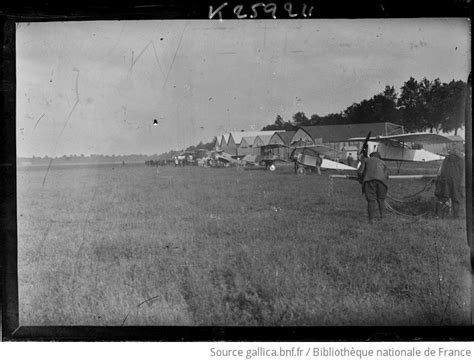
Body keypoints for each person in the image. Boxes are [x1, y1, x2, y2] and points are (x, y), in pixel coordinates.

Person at [357, 151, 390, 223]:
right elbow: (387, 174)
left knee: (371, 200)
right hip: (382, 182)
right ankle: (383, 217)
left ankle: (371, 219)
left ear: (370, 156)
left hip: (369, 181)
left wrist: (361, 179)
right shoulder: (383, 162)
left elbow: (360, 172)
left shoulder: (365, 160)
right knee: (381, 200)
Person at [434, 143, 465, 218]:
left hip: (444, 181)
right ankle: (456, 216)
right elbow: (463, 172)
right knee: (456, 198)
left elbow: (440, 171)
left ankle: (438, 215)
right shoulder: (461, 160)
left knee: (442, 197)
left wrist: (437, 180)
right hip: (456, 182)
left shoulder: (446, 159)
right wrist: (462, 184)